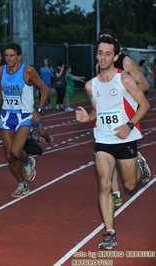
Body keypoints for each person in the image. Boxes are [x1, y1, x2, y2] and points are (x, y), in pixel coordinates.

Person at [76, 36, 151, 250]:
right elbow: (95, 112)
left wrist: (129, 124)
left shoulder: (124, 79)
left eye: (108, 54)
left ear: (115, 57)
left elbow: (144, 105)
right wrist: (87, 117)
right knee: (105, 183)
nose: (103, 57)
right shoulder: (91, 85)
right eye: (100, 53)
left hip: (125, 137)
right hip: (103, 139)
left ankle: (139, 166)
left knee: (129, 185)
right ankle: (110, 232)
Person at [0, 42, 50, 197]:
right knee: (9, 155)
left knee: (16, 151)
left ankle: (28, 162)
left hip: (25, 116)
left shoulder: (27, 70)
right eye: (6, 56)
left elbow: (45, 89)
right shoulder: (1, 70)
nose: (9, 59)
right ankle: (22, 184)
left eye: (12, 56)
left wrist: (39, 111)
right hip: (7, 115)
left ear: (19, 56)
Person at [97, 28, 150, 207]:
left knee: (130, 183)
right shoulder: (100, 64)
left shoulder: (126, 61)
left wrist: (122, 94)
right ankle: (115, 193)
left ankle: (139, 165)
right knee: (105, 155)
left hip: (126, 117)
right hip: (105, 119)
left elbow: (143, 85)